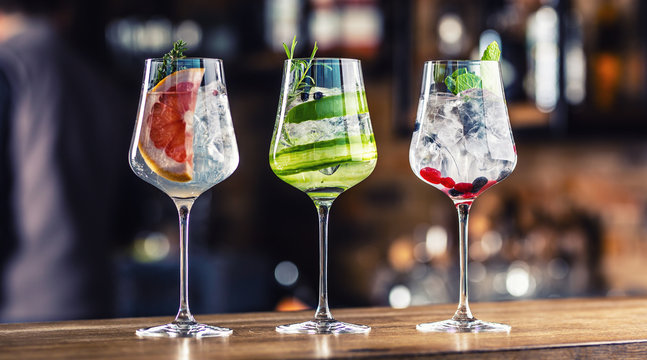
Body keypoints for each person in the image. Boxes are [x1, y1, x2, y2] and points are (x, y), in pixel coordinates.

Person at [0, 0, 130, 321]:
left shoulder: (9, 68)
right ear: (67, 12)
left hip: (17, 310)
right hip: (95, 302)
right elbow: (129, 217)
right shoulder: (102, 81)